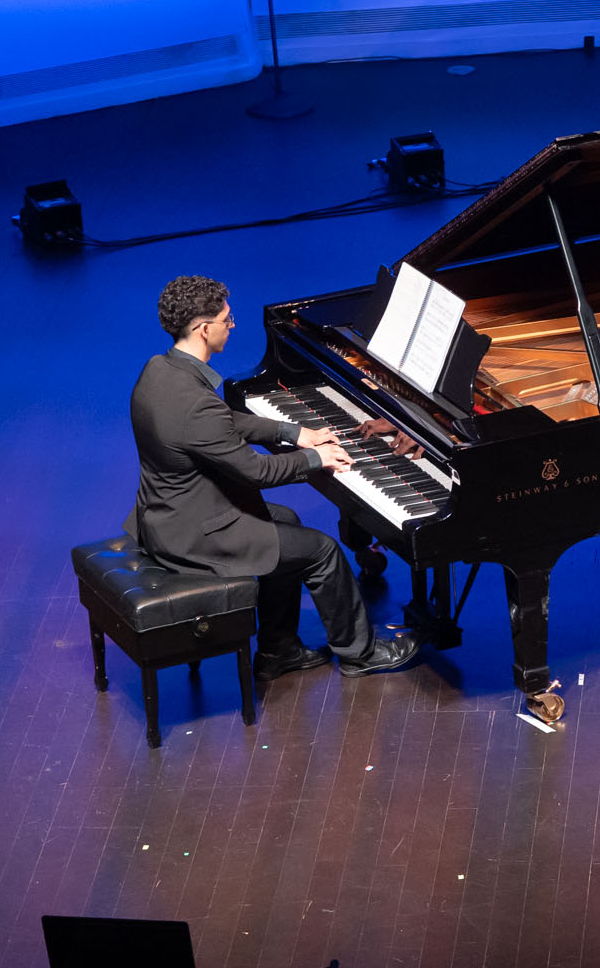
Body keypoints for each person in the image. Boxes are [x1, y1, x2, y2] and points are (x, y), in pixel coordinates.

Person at [133, 275, 418, 680]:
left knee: (287, 522)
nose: (232, 327)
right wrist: (314, 459)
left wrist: (292, 432)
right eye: (227, 320)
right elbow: (255, 471)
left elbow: (222, 423)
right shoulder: (195, 402)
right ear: (203, 328)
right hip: (194, 533)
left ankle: (277, 650)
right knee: (322, 552)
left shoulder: (160, 370)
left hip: (168, 515)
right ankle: (361, 654)